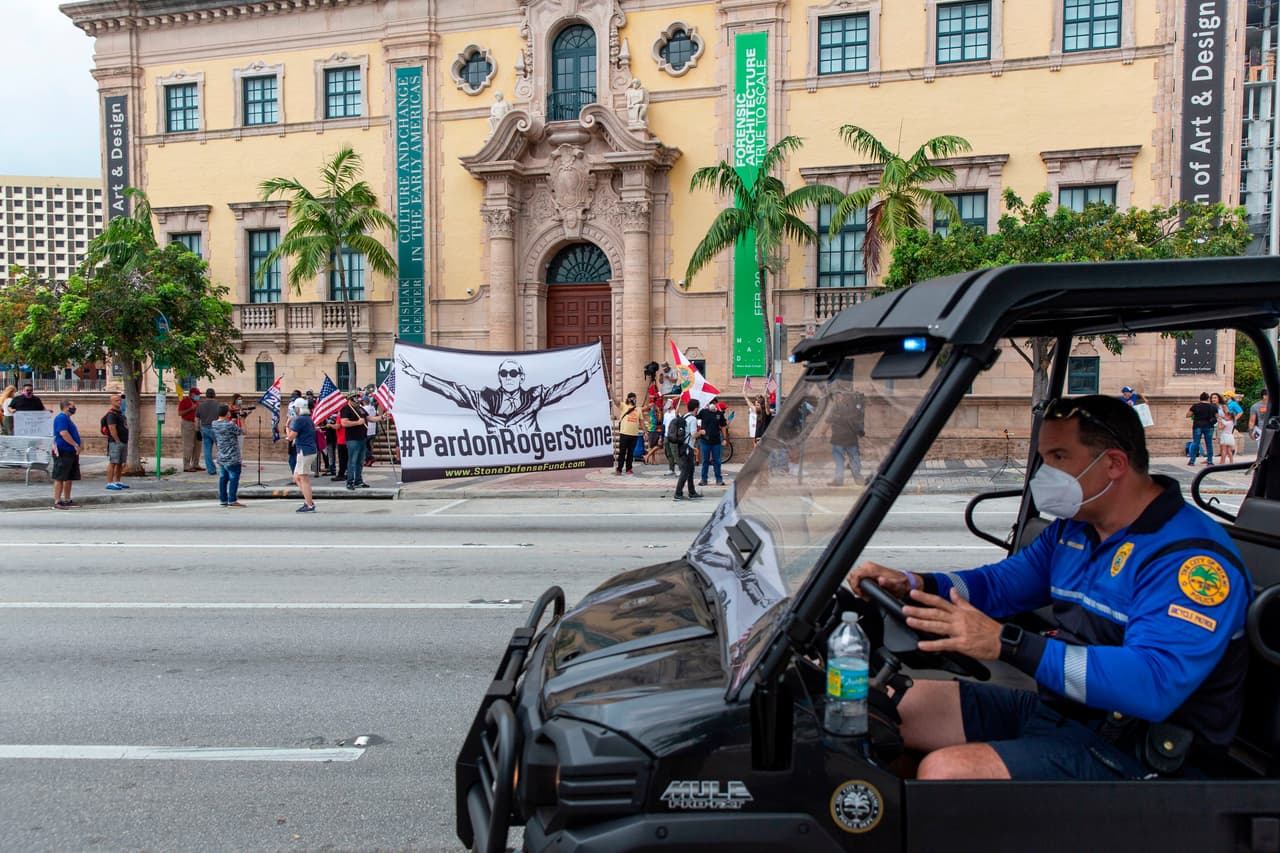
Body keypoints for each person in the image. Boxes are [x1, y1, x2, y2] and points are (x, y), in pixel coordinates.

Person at [846, 394, 1249, 781]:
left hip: (1139, 748)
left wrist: (1007, 643)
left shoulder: (1190, 560)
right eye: (1044, 458)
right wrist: (914, 584)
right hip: (1064, 712)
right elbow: (999, 585)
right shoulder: (1075, 530)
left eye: (1058, 457)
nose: (1045, 473)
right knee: (877, 707)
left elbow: (1151, 684)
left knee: (946, 772)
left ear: (1113, 464)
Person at [398, 355, 601, 434]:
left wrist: (589, 373)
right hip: (497, 451)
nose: (508, 377)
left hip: (532, 451)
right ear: (499, 377)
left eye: (513, 373)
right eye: (504, 373)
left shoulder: (535, 396)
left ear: (521, 377)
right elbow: (452, 390)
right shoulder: (483, 399)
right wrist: (419, 375)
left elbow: (563, 388)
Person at [828, 387, 867, 486]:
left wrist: (822, 433)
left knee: (839, 461)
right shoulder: (855, 408)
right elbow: (859, 422)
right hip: (851, 439)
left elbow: (828, 420)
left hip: (838, 439)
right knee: (854, 459)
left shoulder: (836, 407)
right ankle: (858, 479)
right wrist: (861, 433)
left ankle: (838, 480)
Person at [210, 403, 244, 507]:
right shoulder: (229, 425)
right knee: (234, 478)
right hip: (232, 456)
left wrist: (233, 419)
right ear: (227, 413)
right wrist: (243, 419)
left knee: (223, 479)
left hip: (221, 455)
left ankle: (223, 500)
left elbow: (227, 427)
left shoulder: (214, 423)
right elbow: (242, 431)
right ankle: (232, 500)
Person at [286, 402, 318, 513]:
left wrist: (287, 426)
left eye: (295, 407)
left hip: (305, 451)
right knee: (297, 477)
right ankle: (308, 500)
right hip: (306, 450)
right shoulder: (307, 419)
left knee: (303, 478)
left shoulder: (299, 420)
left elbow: (290, 437)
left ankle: (309, 504)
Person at [51, 398, 81, 509]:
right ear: (66, 407)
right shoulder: (61, 418)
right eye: (72, 406)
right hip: (63, 450)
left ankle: (67, 499)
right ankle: (57, 500)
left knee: (68, 476)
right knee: (60, 476)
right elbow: (63, 433)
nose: (74, 408)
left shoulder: (67, 419)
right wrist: (75, 444)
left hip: (70, 451)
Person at [673, 399, 703, 501]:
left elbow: (686, 434)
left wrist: (693, 448)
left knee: (690, 470)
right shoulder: (693, 419)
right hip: (687, 449)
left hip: (684, 446)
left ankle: (692, 492)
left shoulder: (685, 416)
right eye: (698, 407)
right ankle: (678, 493)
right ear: (696, 408)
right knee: (685, 471)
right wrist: (701, 432)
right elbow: (693, 434)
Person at [339, 392, 370, 490]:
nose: (357, 402)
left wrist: (381, 417)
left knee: (360, 461)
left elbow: (368, 418)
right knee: (352, 461)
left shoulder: (360, 409)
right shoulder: (346, 409)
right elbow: (344, 423)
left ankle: (358, 480)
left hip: (362, 437)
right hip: (353, 439)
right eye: (355, 400)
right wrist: (357, 422)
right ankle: (350, 482)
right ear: (350, 400)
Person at [697, 397, 728, 487]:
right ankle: (704, 479)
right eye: (710, 402)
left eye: (713, 403)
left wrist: (725, 438)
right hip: (705, 441)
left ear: (716, 404)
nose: (712, 404)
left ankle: (719, 479)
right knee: (705, 461)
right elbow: (695, 416)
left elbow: (723, 426)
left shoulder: (719, 414)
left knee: (717, 461)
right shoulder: (703, 412)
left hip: (716, 441)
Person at [103, 393, 129, 491]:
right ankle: (109, 482)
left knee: (120, 462)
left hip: (123, 441)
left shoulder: (120, 413)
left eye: (120, 400)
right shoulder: (111, 414)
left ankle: (117, 481)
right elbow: (112, 428)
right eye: (117, 400)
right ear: (111, 402)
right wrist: (117, 440)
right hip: (115, 442)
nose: (119, 402)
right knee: (113, 462)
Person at [1186, 392, 1216, 466]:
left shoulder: (1195, 406)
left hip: (1198, 426)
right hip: (1209, 426)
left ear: (1200, 398)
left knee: (1196, 443)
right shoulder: (1212, 406)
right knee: (1209, 444)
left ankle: (1192, 461)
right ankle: (1210, 461)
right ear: (1208, 399)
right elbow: (1217, 416)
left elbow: (1188, 415)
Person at [195, 388, 221, 475]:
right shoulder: (219, 405)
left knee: (207, 450)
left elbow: (197, 419)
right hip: (216, 428)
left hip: (205, 428)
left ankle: (211, 470)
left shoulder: (200, 406)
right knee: (221, 449)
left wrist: (197, 430)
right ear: (214, 395)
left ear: (206, 395)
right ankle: (223, 468)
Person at [615, 392, 640, 475]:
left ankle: (629, 468)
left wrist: (645, 432)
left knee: (630, 453)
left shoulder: (638, 409)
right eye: (633, 398)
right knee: (622, 452)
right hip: (624, 433)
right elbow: (616, 401)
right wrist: (610, 390)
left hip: (634, 434)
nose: (635, 400)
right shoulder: (624, 406)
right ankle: (619, 469)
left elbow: (641, 421)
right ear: (629, 399)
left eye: (635, 398)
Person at [177, 387, 202, 471]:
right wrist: (191, 409)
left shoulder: (197, 402)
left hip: (196, 423)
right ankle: (186, 465)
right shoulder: (184, 401)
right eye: (197, 394)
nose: (198, 396)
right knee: (188, 445)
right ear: (192, 394)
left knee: (198, 445)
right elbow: (180, 413)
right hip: (187, 423)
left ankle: (195, 464)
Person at [662, 398, 681, 475]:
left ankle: (681, 469)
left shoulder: (675, 413)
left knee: (675, 453)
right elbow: (664, 425)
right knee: (668, 453)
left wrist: (677, 415)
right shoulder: (666, 414)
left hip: (673, 436)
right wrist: (661, 437)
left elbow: (680, 423)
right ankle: (671, 468)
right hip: (666, 435)